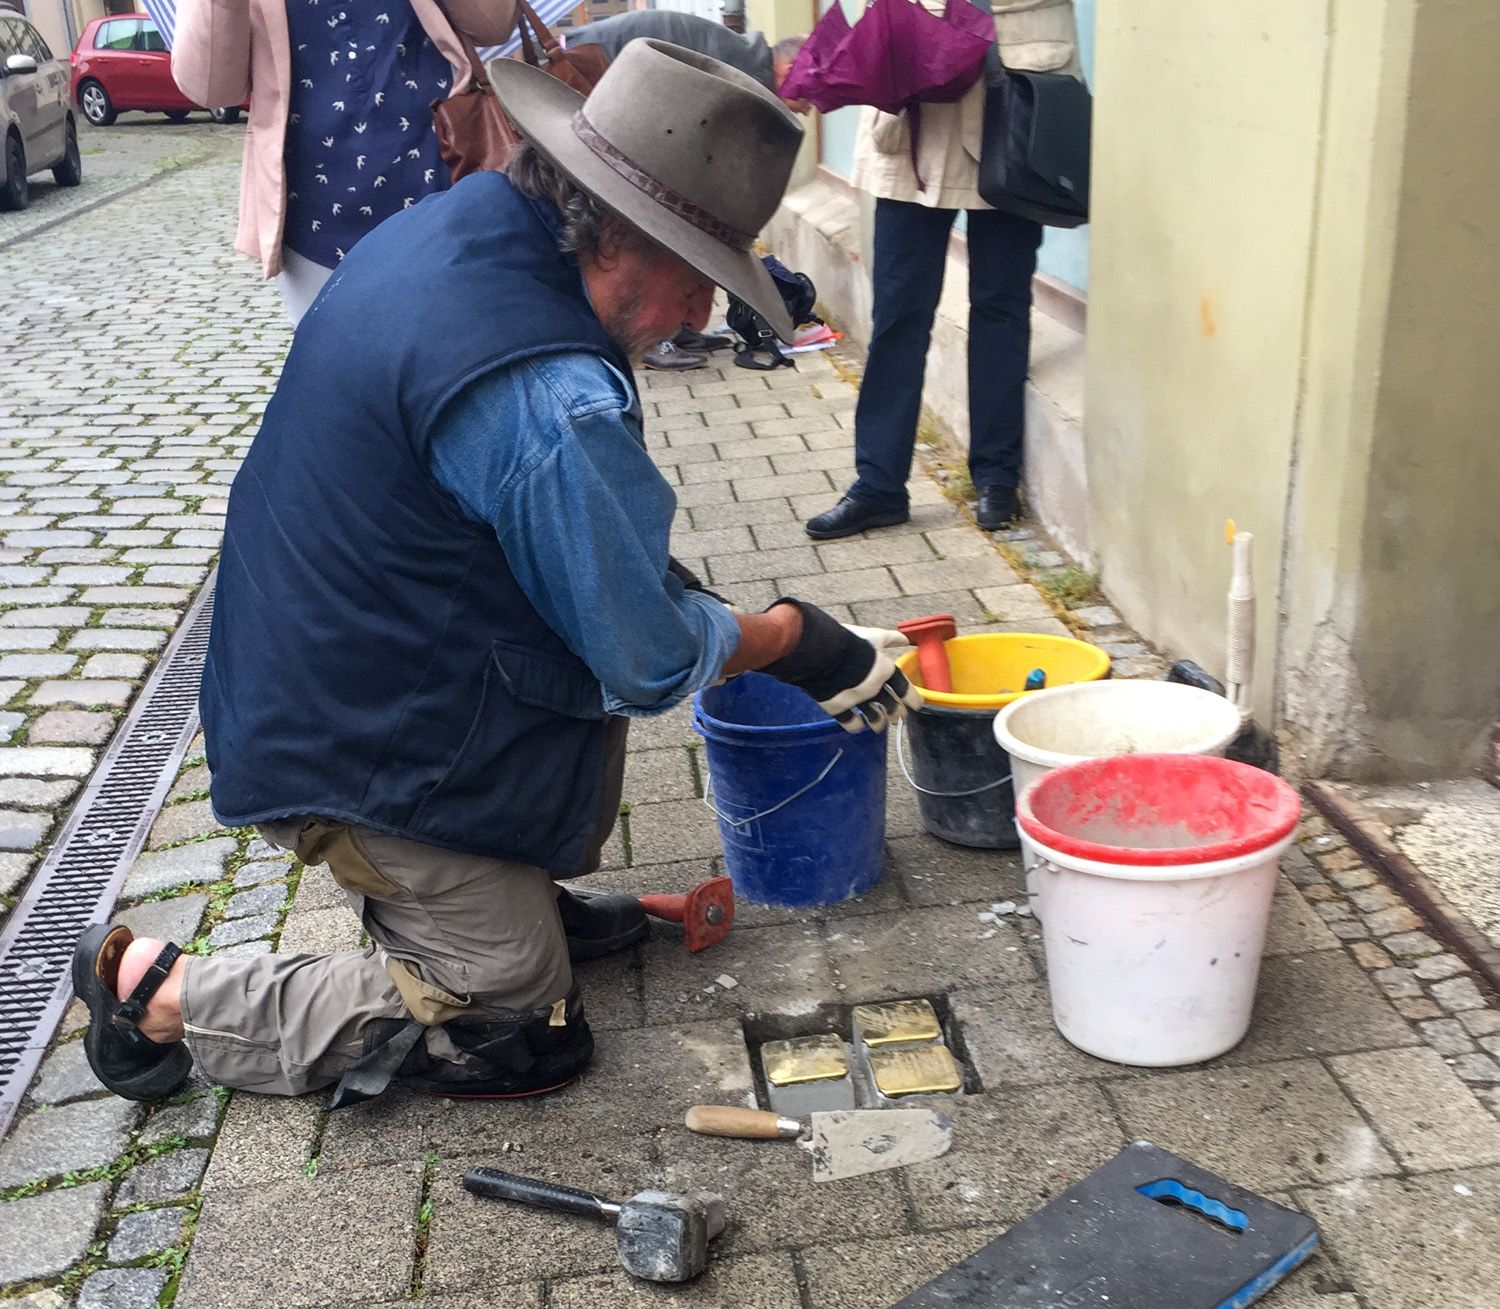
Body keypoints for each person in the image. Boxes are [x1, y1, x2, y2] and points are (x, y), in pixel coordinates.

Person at [71, 41, 920, 1110]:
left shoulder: (479, 219)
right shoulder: (547, 392)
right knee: (519, 1025)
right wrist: (797, 640)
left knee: (613, 612)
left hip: (341, 659)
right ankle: (165, 997)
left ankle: (503, 896)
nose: (701, 317)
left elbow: (601, 571)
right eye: (699, 277)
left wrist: (708, 615)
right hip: (345, 743)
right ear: (622, 236)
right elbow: (649, 657)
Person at [805, 0, 1081, 538]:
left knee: (1001, 305)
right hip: (912, 108)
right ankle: (879, 485)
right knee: (898, 312)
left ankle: (997, 477)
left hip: (1012, 98)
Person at [171, 0, 518, 324]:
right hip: (315, 221)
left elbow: (494, 26)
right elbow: (212, 91)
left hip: (447, 185)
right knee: (343, 360)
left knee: (463, 350)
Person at [558, 11, 807, 372]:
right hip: (596, 80)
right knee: (647, 226)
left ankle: (675, 328)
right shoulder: (743, 81)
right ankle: (651, 335)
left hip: (611, 82)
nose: (809, 109)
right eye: (810, 96)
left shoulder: (743, 63)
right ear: (789, 69)